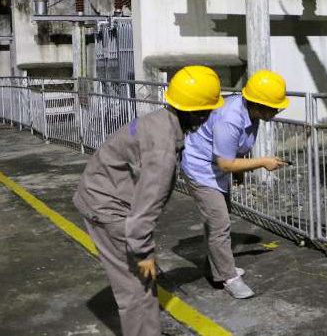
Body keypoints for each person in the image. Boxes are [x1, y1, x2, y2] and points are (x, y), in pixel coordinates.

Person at [73, 65, 224, 336]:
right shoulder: (162, 148)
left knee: (141, 286)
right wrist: (143, 252)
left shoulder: (160, 119)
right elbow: (147, 204)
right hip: (107, 206)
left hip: (103, 193)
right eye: (208, 113)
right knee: (136, 289)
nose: (207, 119)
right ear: (198, 113)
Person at [181, 70, 289, 299]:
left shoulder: (253, 114)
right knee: (219, 223)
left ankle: (217, 266)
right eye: (274, 107)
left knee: (219, 220)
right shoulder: (230, 118)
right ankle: (228, 277)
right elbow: (226, 162)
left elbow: (238, 148)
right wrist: (261, 163)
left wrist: (242, 170)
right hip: (202, 169)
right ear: (259, 104)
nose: (276, 111)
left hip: (216, 168)